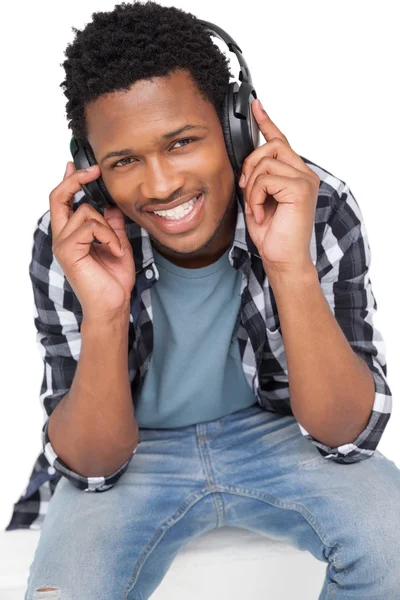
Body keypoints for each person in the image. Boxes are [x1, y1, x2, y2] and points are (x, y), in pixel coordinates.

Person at [6, 1, 400, 598]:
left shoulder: (314, 205)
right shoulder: (70, 238)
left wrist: (289, 264)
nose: (160, 184)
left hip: (277, 434)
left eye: (182, 141)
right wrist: (105, 311)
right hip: (132, 457)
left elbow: (346, 434)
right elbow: (92, 466)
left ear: (234, 126)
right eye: (124, 161)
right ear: (92, 168)